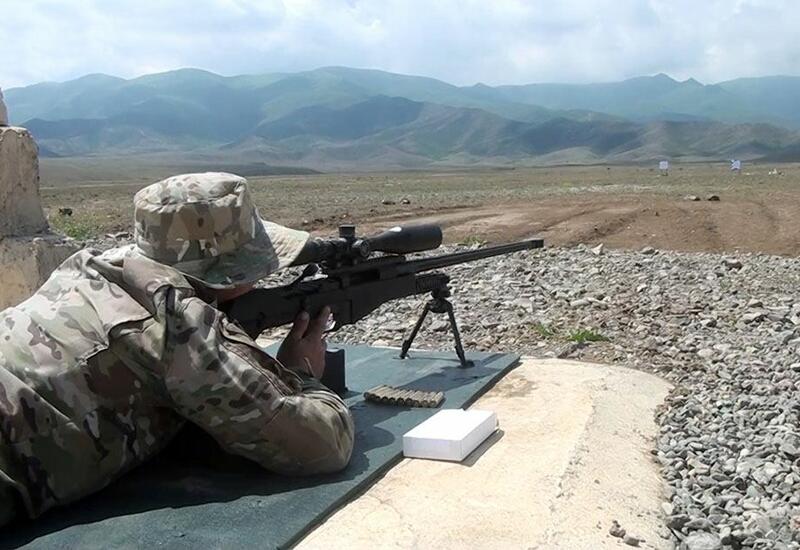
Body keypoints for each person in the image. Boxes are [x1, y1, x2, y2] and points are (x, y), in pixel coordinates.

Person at [0, 172, 355, 527]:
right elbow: (322, 445)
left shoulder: (89, 267)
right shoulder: (177, 326)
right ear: (230, 269)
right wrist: (301, 373)